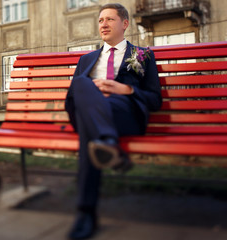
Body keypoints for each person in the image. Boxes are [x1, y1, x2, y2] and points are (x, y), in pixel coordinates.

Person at [65, 3, 162, 240]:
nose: (104, 24)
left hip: (125, 113)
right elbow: (71, 99)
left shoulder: (141, 56)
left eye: (109, 19)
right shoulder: (86, 59)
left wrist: (126, 89)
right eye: (100, 20)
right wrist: (92, 93)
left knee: (91, 132)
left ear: (125, 24)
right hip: (90, 112)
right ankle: (108, 143)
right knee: (81, 84)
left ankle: (86, 214)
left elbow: (155, 99)